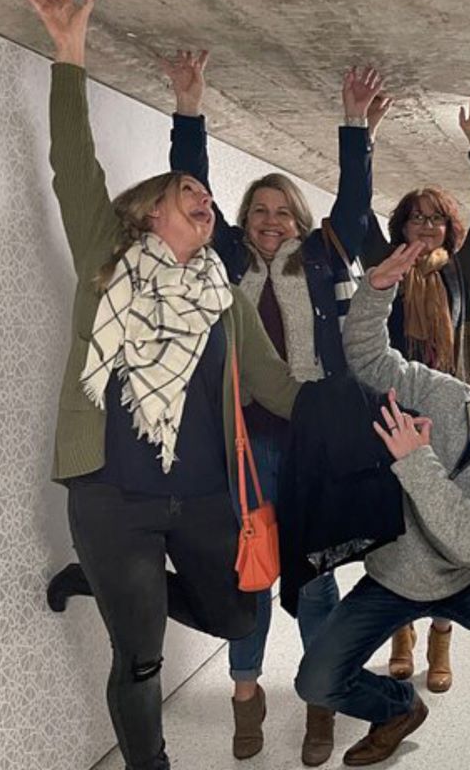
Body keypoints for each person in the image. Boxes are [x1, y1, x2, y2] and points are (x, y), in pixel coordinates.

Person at [26, 0, 302, 770]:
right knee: (140, 659)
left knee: (239, 617)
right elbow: (72, 163)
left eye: (208, 195)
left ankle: (105, 586)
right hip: (113, 495)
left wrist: (365, 413)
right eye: (192, 194)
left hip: (208, 495)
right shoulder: (105, 263)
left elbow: (276, 387)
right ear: (151, 214)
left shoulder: (222, 294)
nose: (206, 200)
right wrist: (69, 53)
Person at [162, 49, 385, 764]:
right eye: (258, 211)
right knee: (253, 569)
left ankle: (320, 697)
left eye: (280, 211)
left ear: (298, 218)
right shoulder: (221, 256)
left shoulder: (321, 258)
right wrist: (189, 108)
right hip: (244, 441)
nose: (268, 221)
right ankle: (246, 692)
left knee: (315, 579)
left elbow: (354, 204)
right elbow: (187, 185)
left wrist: (354, 126)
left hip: (314, 436)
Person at [294, 241, 470, 770]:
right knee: (314, 679)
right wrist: (376, 291)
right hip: (398, 572)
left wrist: (416, 460)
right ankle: (398, 708)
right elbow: (370, 360)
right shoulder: (447, 395)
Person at [362, 94, 470, 693]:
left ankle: (440, 638)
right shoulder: (383, 264)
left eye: (435, 218)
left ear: (449, 227)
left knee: (442, 522)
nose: (425, 226)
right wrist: (363, 134)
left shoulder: (458, 274)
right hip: (393, 413)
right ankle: (402, 633)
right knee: (396, 523)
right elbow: (354, 210)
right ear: (401, 226)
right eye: (415, 217)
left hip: (448, 413)